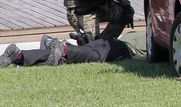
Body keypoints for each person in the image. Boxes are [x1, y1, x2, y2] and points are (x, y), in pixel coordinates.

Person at [0, 34, 135, 70]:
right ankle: (63, 48)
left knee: (62, 59)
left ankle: (18, 56)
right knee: (93, 56)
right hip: (122, 48)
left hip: (111, 41)